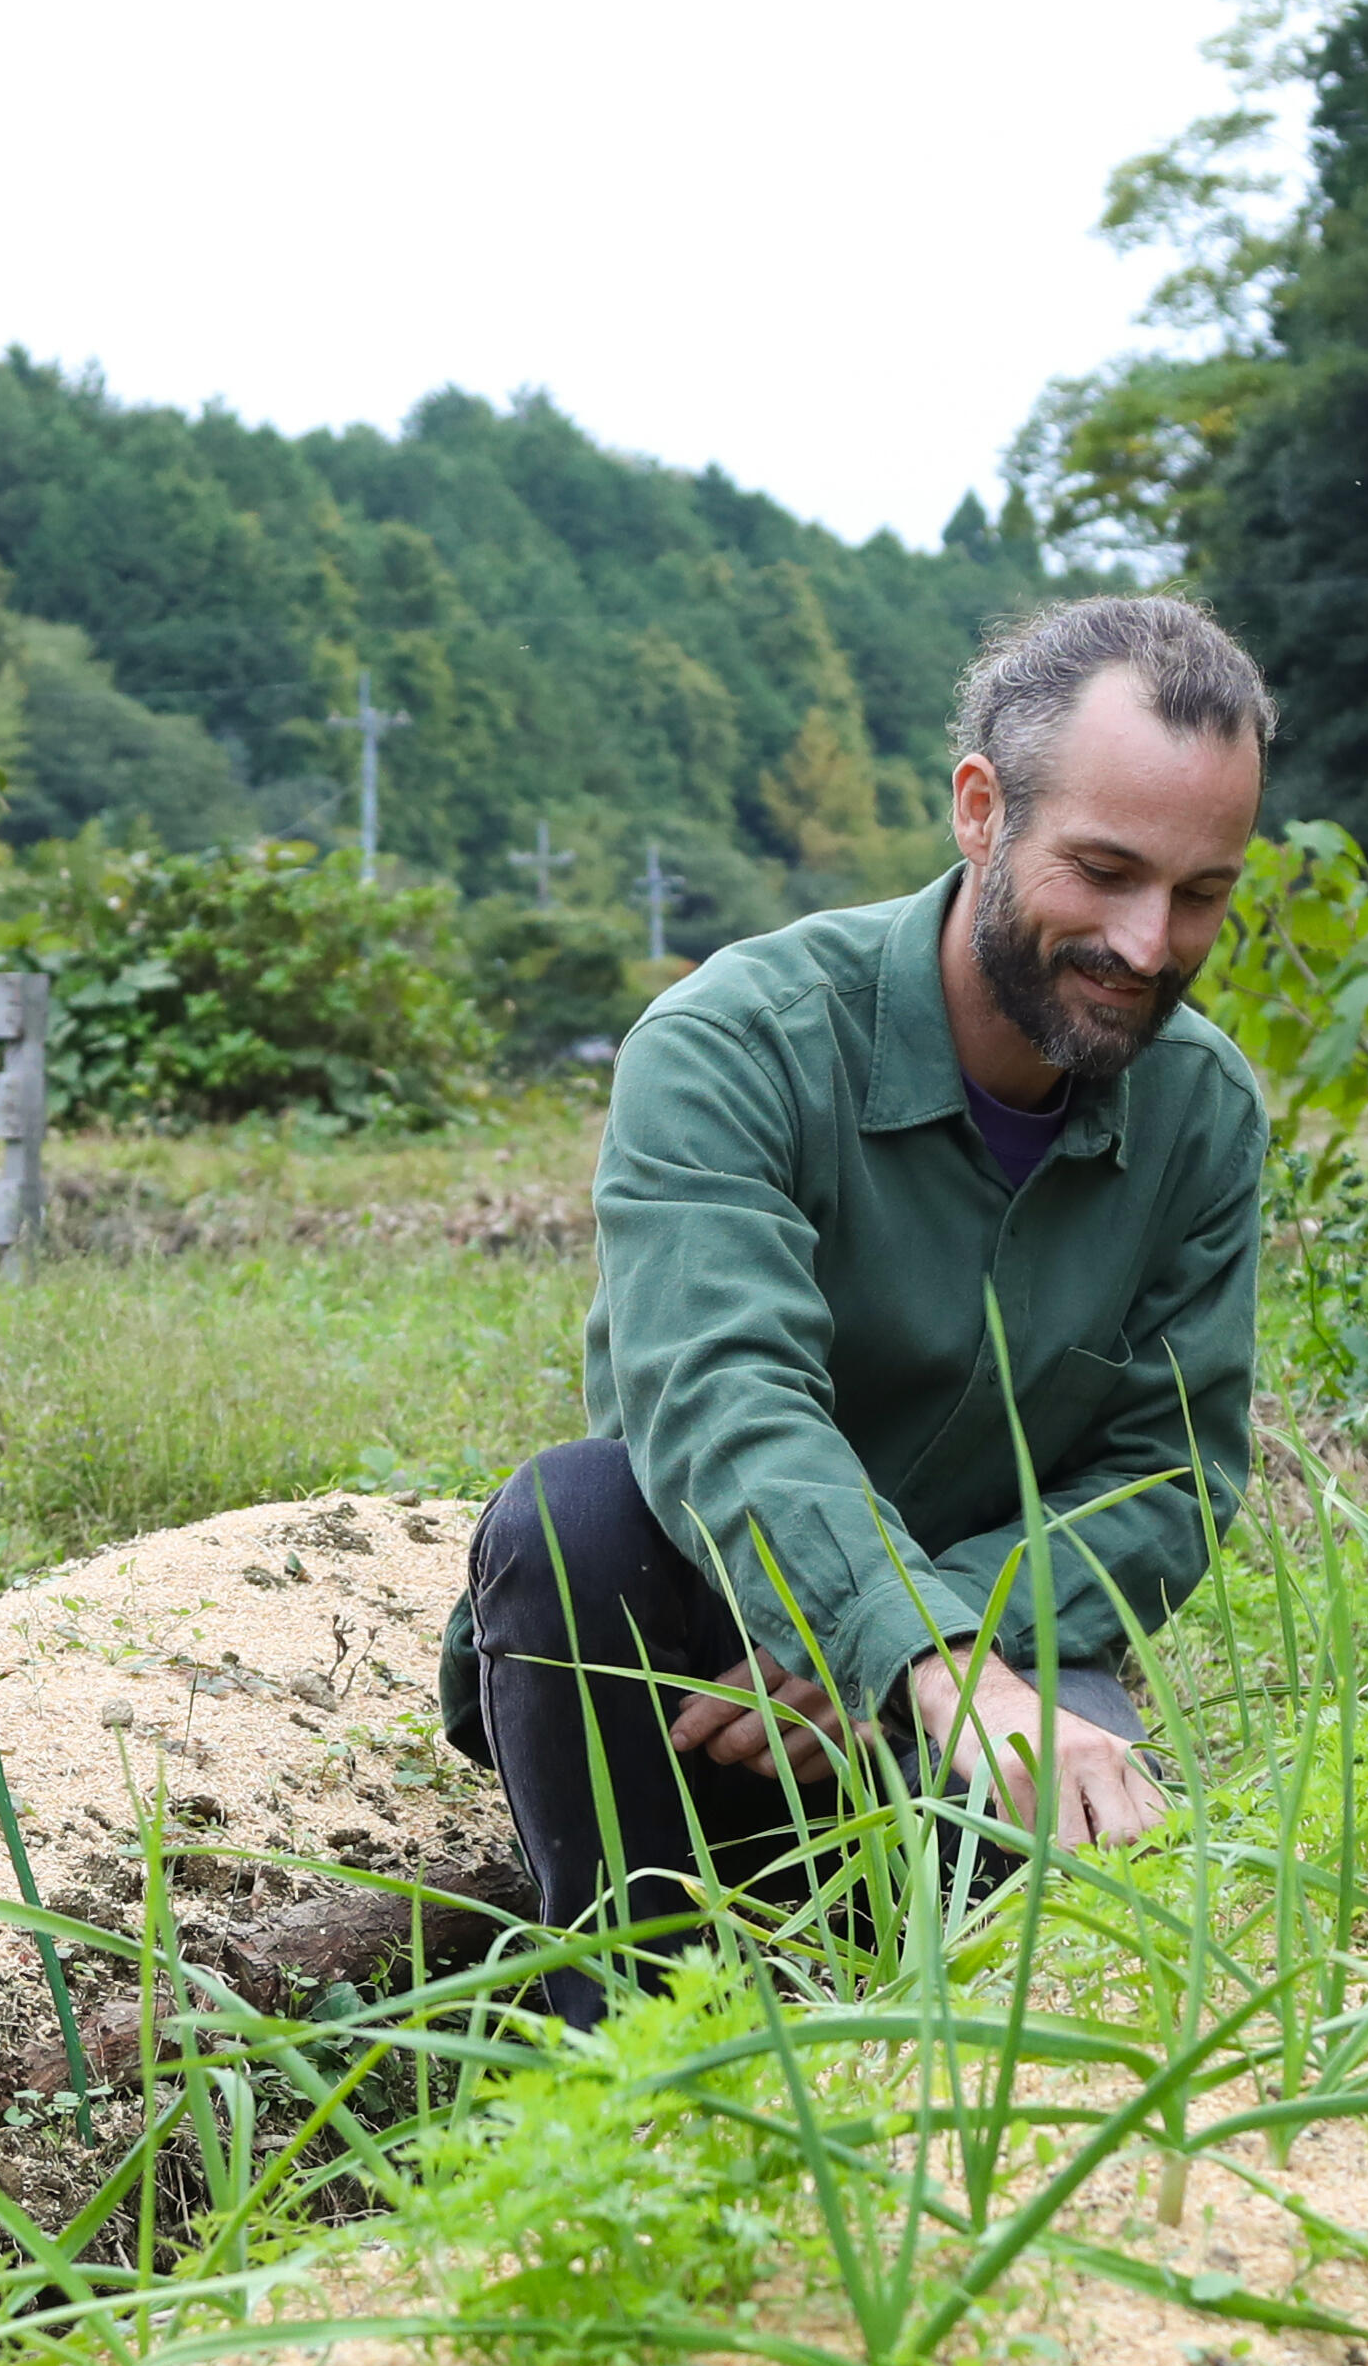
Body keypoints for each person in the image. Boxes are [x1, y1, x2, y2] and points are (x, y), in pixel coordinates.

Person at [439, 596, 1272, 1956]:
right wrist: (918, 1658)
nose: (1146, 942)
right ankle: (624, 2031)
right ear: (981, 810)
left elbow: (1170, 1477)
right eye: (1105, 871)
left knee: (1099, 1950)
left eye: (1200, 896)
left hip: (1011, 1661)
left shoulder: (1205, 1113)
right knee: (573, 1517)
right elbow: (722, 1393)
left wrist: (903, 1651)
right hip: (709, 1665)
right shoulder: (733, 1045)